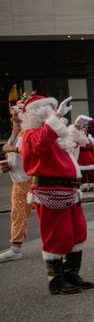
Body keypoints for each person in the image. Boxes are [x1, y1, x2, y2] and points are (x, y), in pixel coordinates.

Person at [20, 95, 94, 295]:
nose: (55, 112)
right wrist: (58, 117)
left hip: (69, 190)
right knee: (56, 235)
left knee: (77, 232)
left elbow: (74, 148)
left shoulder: (54, 135)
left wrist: (76, 127)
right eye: (51, 110)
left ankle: (71, 274)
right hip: (50, 191)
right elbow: (40, 143)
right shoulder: (31, 135)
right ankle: (56, 281)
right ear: (39, 113)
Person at [0, 101, 34, 263]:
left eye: (16, 117)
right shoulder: (17, 135)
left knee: (45, 213)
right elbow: (11, 151)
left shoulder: (30, 132)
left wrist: (11, 149)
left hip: (32, 179)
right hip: (19, 180)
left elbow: (31, 151)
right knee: (17, 214)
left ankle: (64, 243)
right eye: (12, 117)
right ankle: (16, 248)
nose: (13, 120)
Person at [72, 116, 94, 192]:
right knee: (82, 172)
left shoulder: (90, 138)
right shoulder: (77, 139)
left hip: (90, 157)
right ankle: (84, 185)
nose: (84, 132)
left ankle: (91, 185)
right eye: (82, 130)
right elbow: (75, 147)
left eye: (85, 130)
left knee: (91, 172)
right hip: (81, 158)